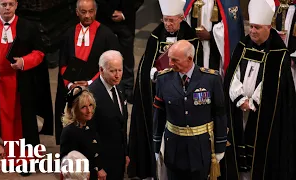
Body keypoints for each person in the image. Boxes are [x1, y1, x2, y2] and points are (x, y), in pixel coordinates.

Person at [128, 0, 203, 179]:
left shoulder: (190, 37)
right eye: (165, 20)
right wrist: (153, 74)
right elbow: (147, 65)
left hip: (180, 98)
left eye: (172, 20)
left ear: (181, 18)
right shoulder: (156, 35)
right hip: (157, 95)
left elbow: (194, 66)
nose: (168, 24)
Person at [222, 0, 296, 179]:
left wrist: (254, 101)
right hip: (239, 109)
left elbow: (272, 82)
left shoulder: (279, 53)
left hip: (263, 111)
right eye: (251, 27)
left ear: (268, 27)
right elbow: (233, 75)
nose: (253, 31)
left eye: (257, 28)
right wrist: (240, 98)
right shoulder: (242, 46)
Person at [0, 0, 52, 162]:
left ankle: (22, 159)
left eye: (11, 4)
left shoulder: (28, 27)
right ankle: (0, 158)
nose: (7, 7)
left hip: (21, 84)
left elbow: (39, 53)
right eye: (4, 4)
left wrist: (24, 62)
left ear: (16, 5)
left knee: (21, 122)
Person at [153, 40, 227, 180]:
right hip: (174, 148)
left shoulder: (211, 79)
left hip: (200, 149)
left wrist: (220, 146)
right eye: (170, 58)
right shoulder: (163, 79)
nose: (170, 63)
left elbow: (220, 114)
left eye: (175, 60)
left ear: (190, 59)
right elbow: (159, 115)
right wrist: (157, 146)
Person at [54, 0, 121, 144]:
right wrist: (70, 84)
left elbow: (109, 66)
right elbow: (63, 62)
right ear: (77, 12)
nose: (87, 16)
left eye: (91, 11)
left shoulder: (107, 35)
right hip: (71, 87)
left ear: (95, 12)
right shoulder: (69, 33)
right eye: (83, 12)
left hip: (96, 87)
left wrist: (91, 83)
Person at [88, 50, 129, 180]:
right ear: (101, 70)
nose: (117, 75)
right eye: (113, 71)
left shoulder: (119, 87)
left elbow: (121, 125)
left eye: (120, 70)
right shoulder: (91, 95)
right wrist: (98, 167)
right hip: (103, 163)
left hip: (118, 158)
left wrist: (125, 153)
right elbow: (90, 134)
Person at [95, 0, 144, 103]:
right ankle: (103, 88)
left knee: (127, 56)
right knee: (103, 56)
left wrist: (124, 13)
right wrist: (109, 12)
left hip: (126, 20)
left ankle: (127, 90)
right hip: (103, 17)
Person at [184, 0, 245, 76]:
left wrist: (211, 35)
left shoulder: (229, 2)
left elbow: (231, 26)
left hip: (216, 50)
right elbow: (185, 19)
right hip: (195, 46)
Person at [60, 86, 106, 180]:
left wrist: (100, 168)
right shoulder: (69, 132)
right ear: (74, 109)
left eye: (90, 105)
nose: (89, 110)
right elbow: (69, 166)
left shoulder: (89, 125)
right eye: (83, 107)